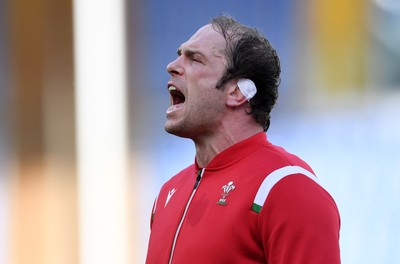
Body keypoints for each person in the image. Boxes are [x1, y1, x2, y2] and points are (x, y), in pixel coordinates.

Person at [146, 15, 341, 264]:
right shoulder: (167, 194)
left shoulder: (286, 187)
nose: (172, 66)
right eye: (179, 54)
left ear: (237, 92)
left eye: (195, 59)